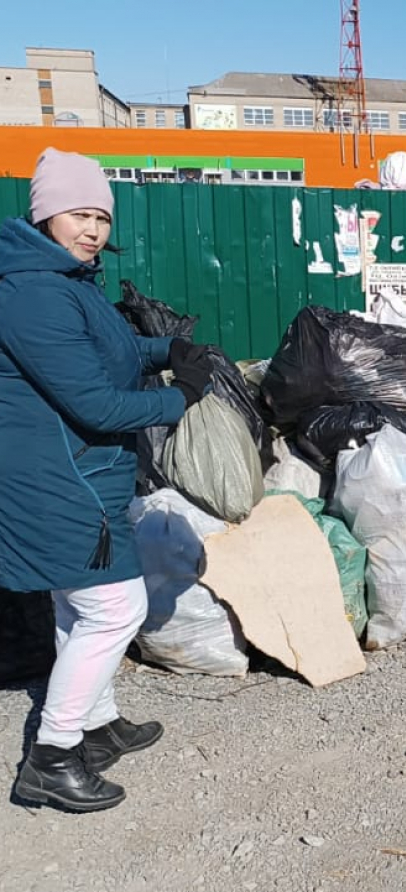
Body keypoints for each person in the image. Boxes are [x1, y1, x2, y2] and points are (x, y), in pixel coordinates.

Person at [0, 148, 214, 811]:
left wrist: (166, 351)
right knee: (117, 607)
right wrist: (180, 399)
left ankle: (97, 725)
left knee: (78, 603)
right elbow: (93, 403)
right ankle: (53, 755)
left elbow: (105, 351)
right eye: (77, 214)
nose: (91, 228)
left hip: (81, 470)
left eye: (99, 215)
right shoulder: (32, 292)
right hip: (59, 479)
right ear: (46, 215)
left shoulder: (66, 280)